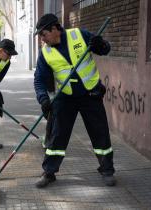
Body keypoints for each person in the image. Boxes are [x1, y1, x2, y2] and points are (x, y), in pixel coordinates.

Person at [33, 13, 115, 188]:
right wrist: (43, 99)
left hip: (91, 95)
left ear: (55, 29)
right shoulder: (45, 53)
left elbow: (105, 49)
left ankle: (107, 169)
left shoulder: (79, 35)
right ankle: (49, 172)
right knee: (57, 135)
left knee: (100, 132)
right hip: (66, 98)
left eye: (43, 33)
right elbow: (39, 79)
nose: (42, 38)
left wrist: (100, 44)